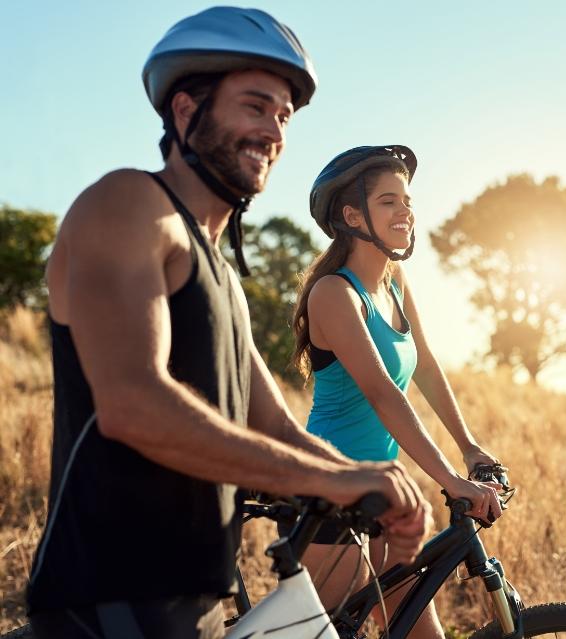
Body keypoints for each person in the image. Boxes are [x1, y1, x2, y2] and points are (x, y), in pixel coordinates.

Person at [25, 12, 431, 639]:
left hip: (196, 596)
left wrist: (378, 487)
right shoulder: (129, 205)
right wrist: (333, 477)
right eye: (255, 105)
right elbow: (134, 405)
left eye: (285, 116)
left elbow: (271, 424)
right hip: (108, 599)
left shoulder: (219, 273)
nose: (273, 130)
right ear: (186, 110)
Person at [292, 145, 503, 637]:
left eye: (406, 200)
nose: (405, 210)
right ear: (351, 215)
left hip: (384, 494)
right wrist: (452, 480)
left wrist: (469, 448)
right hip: (330, 494)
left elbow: (425, 367)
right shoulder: (334, 294)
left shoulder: (395, 280)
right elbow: (384, 393)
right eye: (389, 200)